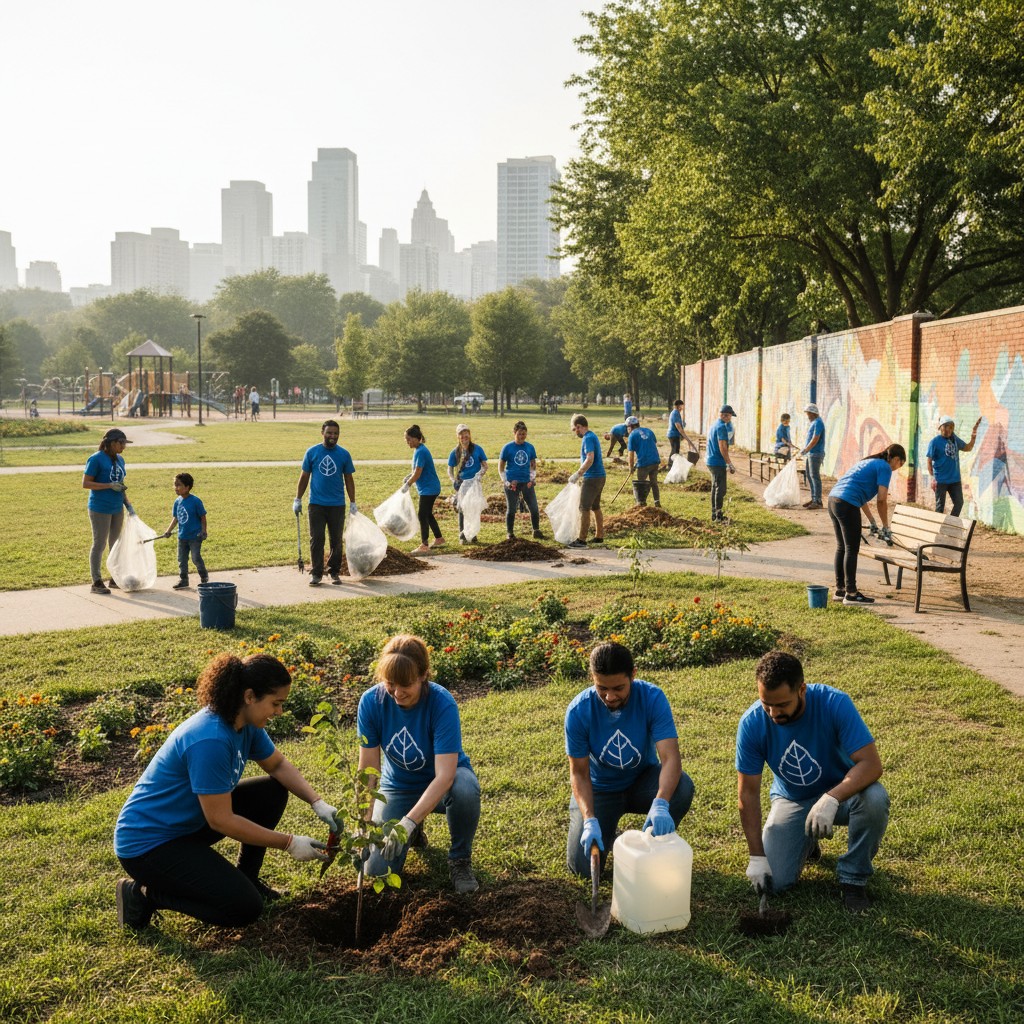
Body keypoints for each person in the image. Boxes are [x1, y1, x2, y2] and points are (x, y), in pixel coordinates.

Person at [113, 652, 338, 931]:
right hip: (149, 844)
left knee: (271, 792)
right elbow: (221, 820)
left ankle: (248, 878)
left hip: (188, 824)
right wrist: (289, 842)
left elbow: (277, 765)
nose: (279, 711)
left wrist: (317, 802)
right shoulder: (211, 739)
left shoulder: (244, 722)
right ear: (249, 696)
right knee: (243, 908)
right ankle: (142, 894)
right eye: (275, 703)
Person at [737, 651, 889, 914]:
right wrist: (757, 856)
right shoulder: (752, 723)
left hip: (844, 795)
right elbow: (748, 794)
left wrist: (831, 798)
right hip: (792, 798)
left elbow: (871, 765)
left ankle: (853, 878)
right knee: (776, 882)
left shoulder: (834, 703)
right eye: (766, 704)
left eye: (782, 704)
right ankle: (807, 842)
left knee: (875, 799)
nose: (773, 713)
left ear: (802, 690)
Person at [358, 635, 481, 894]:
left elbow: (445, 776)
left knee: (465, 788)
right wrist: (364, 822)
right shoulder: (371, 702)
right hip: (398, 788)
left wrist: (407, 823)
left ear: (424, 675)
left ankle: (459, 860)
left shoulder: (441, 703)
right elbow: (368, 772)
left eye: (406, 684)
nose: (397, 693)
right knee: (377, 869)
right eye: (390, 684)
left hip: (444, 784)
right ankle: (414, 829)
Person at [565, 641, 695, 877]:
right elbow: (579, 773)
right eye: (601, 687)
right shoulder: (578, 711)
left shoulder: (652, 698)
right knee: (582, 869)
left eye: (618, 688)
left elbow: (670, 758)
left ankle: (653, 847)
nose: (610, 696)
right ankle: (604, 828)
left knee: (682, 787)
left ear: (633, 675)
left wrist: (661, 803)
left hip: (641, 782)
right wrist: (589, 819)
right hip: (599, 790)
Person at [827, 442, 906, 605]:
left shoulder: (867, 462)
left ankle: (840, 589)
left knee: (842, 546)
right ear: (896, 459)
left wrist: (872, 521)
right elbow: (882, 500)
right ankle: (851, 593)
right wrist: (886, 526)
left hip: (833, 500)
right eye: (900, 464)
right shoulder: (884, 467)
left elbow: (860, 496)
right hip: (846, 503)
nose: (897, 468)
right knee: (851, 549)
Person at [294, 420, 357, 586]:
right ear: (322, 432)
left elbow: (349, 479)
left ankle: (334, 572)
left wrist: (353, 502)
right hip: (316, 504)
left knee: (336, 540)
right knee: (317, 539)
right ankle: (316, 573)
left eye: (336, 433)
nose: (332, 436)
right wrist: (298, 499)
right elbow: (304, 477)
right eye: (329, 433)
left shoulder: (344, 454)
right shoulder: (312, 452)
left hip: (337, 504)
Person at [82, 427, 133, 595]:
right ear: (112, 443)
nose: (124, 447)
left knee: (116, 545)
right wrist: (108, 486)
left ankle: (114, 578)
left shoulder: (121, 460)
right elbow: (86, 483)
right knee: (100, 544)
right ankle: (96, 581)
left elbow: (121, 483)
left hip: (117, 507)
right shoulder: (96, 459)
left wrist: (128, 505)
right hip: (100, 508)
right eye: (121, 443)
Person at [160, 472, 208, 589]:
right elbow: (176, 518)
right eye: (175, 485)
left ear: (187, 487)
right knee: (182, 559)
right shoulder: (177, 501)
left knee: (195, 558)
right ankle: (183, 580)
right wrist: (168, 531)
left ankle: (204, 577)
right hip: (182, 536)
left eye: (178, 485)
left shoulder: (196, 501)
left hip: (195, 536)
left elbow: (203, 517)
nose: (175, 488)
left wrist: (204, 531)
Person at [926, 415, 980, 516]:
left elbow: (968, 447)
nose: (948, 429)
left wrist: (973, 436)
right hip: (940, 480)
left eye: (950, 427)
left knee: (959, 503)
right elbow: (929, 461)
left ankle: (950, 525)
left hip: (955, 480)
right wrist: (932, 478)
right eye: (945, 426)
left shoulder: (954, 439)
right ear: (940, 427)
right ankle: (937, 529)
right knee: (940, 507)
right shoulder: (934, 442)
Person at [403, 424, 445, 554]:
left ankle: (424, 545)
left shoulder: (421, 451)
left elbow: (418, 472)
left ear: (417, 438)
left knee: (422, 514)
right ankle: (439, 538)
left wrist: (408, 484)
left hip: (429, 488)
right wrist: (408, 477)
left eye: (409, 439)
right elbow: (416, 470)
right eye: (406, 439)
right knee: (427, 514)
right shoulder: (419, 450)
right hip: (429, 487)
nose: (407, 442)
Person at [498, 420, 542, 541]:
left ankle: (536, 530)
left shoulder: (530, 447)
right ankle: (510, 533)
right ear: (514, 433)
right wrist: (506, 482)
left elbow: (533, 464)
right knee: (512, 508)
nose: (522, 436)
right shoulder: (507, 448)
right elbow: (501, 467)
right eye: (519, 434)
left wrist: (532, 479)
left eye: (524, 434)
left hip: (526, 482)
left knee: (534, 507)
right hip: (512, 483)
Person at [568, 414, 606, 548]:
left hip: (592, 477)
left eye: (574, 429)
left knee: (583, 507)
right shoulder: (593, 436)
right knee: (595, 507)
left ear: (579, 426)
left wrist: (578, 474)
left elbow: (590, 458)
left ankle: (582, 540)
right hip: (601, 476)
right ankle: (599, 536)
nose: (575, 432)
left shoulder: (588, 438)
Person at [446, 423, 488, 544]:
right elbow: (450, 469)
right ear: (458, 437)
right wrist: (453, 480)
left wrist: (479, 475)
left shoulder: (477, 449)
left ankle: (473, 533)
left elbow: (485, 466)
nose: (464, 436)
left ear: (469, 435)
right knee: (462, 508)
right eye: (461, 434)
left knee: (473, 508)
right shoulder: (455, 452)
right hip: (462, 484)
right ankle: (462, 534)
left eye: (466, 434)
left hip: (474, 484)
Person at [705, 405, 737, 523]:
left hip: (710, 460)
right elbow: (722, 446)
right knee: (721, 489)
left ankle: (714, 513)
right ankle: (718, 516)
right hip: (717, 461)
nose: (730, 419)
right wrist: (729, 463)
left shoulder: (714, 425)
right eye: (729, 416)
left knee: (715, 487)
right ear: (725, 415)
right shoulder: (722, 427)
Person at [626, 415, 662, 507]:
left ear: (631, 427)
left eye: (627, 427)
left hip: (644, 463)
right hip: (655, 460)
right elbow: (650, 445)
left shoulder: (632, 435)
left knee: (640, 483)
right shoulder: (649, 431)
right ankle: (657, 502)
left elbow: (631, 454)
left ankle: (641, 503)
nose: (627, 430)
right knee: (654, 482)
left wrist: (630, 467)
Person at [798, 404, 825, 509]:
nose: (807, 415)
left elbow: (815, 438)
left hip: (816, 453)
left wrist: (806, 449)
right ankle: (814, 498)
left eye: (809, 413)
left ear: (813, 413)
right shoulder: (814, 422)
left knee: (815, 476)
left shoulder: (818, 422)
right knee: (810, 475)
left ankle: (818, 501)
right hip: (811, 453)